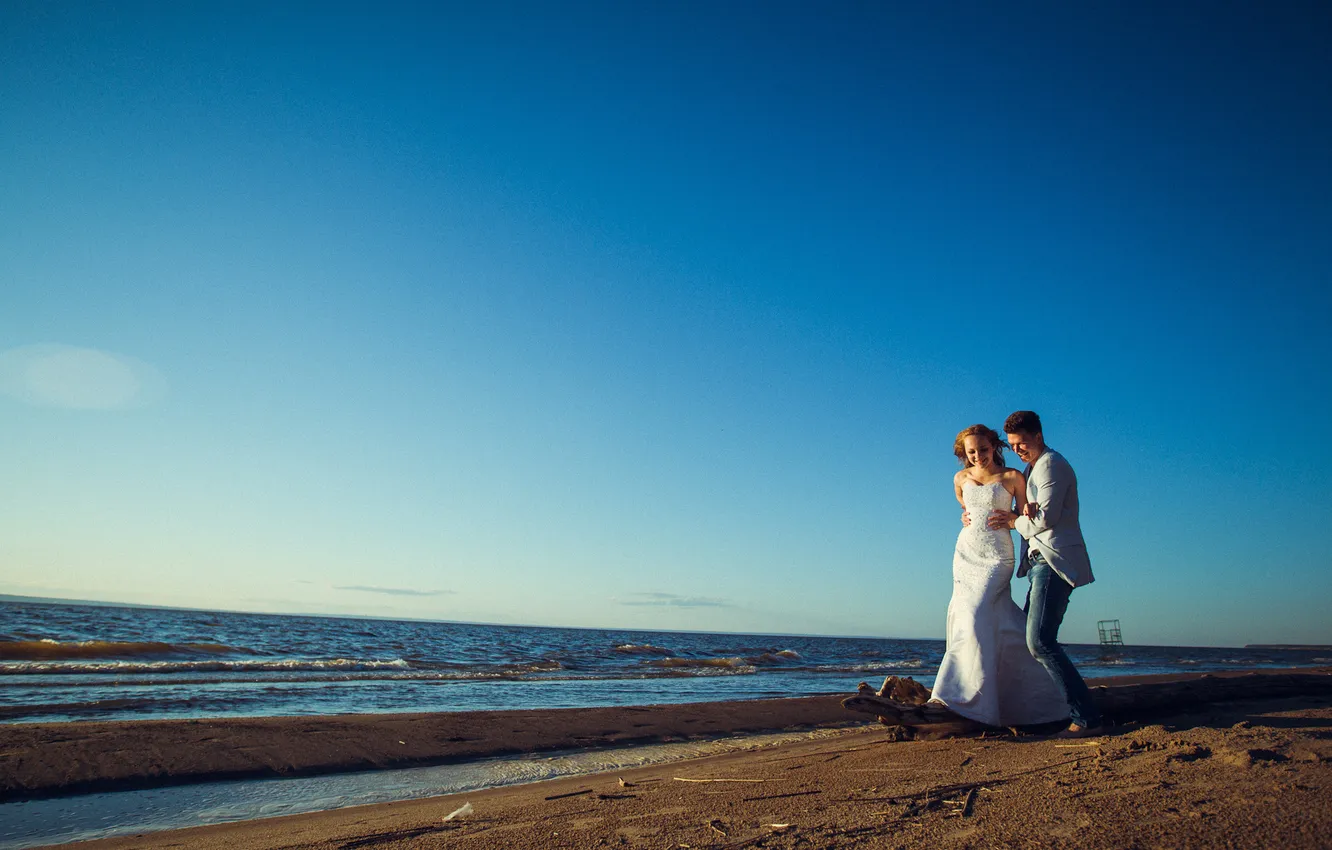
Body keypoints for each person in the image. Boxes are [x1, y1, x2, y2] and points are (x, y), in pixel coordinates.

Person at [929, 424, 1068, 728]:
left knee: (979, 613)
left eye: (983, 449)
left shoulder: (1012, 477)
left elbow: (1023, 516)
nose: (978, 455)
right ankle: (976, 696)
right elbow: (966, 508)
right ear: (964, 454)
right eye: (972, 452)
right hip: (965, 555)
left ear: (994, 447)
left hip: (997, 557)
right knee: (974, 617)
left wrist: (1018, 516)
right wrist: (965, 516)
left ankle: (979, 700)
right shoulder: (960, 478)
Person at [983, 410, 1103, 738]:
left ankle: (1086, 717)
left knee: (1039, 641)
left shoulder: (1051, 465)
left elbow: (1044, 519)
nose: (1018, 449)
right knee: (1031, 640)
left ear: (1038, 435)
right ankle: (1039, 711)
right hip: (1038, 563)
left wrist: (1012, 521)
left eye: (1022, 442)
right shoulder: (1031, 467)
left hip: (1053, 561)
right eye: (1012, 445)